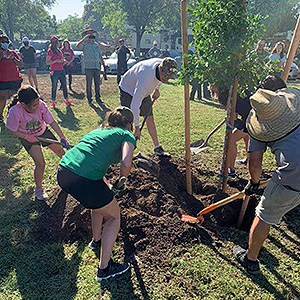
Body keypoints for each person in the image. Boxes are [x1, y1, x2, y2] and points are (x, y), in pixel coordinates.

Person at [57, 106, 136, 281]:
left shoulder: (100, 131)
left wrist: (108, 185)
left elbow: (89, 157)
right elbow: (126, 163)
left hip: (64, 171)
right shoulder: (126, 135)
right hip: (83, 178)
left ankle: (97, 240)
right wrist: (122, 180)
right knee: (114, 217)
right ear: (129, 124)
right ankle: (104, 270)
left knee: (100, 203)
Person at [233, 87, 300, 275]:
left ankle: (250, 260)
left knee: (264, 215)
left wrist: (254, 183)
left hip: (293, 177)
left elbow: (255, 164)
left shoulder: (259, 130)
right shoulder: (296, 111)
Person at [5, 86, 68, 200]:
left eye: (38, 102)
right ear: (23, 105)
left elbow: (52, 122)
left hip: (43, 131)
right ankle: (39, 189)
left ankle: (71, 177)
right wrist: (27, 137)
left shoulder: (41, 105)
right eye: (34, 105)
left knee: (62, 154)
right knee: (41, 163)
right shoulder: (15, 111)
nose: (37, 106)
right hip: (26, 136)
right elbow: (10, 129)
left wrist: (62, 137)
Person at [217, 75, 287, 176]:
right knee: (247, 136)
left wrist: (234, 121)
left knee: (230, 139)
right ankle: (247, 159)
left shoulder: (229, 96)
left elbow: (239, 119)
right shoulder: (239, 91)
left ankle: (230, 169)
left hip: (253, 119)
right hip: (252, 117)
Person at [119, 57, 177, 156]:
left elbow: (159, 79)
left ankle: (157, 148)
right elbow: (135, 106)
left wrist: (157, 89)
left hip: (144, 92)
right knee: (127, 122)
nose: (166, 80)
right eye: (165, 77)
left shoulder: (165, 65)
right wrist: (137, 128)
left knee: (149, 117)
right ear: (160, 69)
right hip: (127, 89)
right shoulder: (145, 80)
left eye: (169, 77)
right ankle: (124, 151)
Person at [76, 29, 106, 106]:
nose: (91, 37)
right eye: (89, 36)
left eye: (92, 36)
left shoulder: (96, 45)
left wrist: (103, 65)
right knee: (89, 84)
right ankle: (89, 99)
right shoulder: (84, 44)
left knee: (97, 84)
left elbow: (100, 55)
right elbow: (77, 46)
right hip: (88, 67)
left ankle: (98, 98)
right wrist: (84, 39)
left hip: (96, 66)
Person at [46, 35, 74, 108]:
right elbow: (47, 62)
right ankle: (53, 102)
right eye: (58, 41)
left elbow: (62, 59)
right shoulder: (50, 51)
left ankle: (67, 100)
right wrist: (56, 61)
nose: (59, 43)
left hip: (61, 70)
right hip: (54, 71)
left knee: (64, 85)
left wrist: (63, 61)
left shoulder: (59, 51)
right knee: (54, 86)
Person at [0, 34, 23, 122]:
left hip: (14, 79)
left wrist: (13, 58)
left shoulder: (12, 52)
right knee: (2, 98)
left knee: (15, 98)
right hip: (3, 79)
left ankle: (14, 115)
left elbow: (20, 64)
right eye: (3, 42)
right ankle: (0, 115)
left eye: (6, 42)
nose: (5, 43)